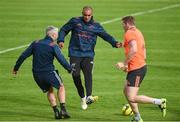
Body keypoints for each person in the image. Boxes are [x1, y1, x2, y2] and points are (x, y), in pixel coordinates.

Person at [58, 6, 121, 110]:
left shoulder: (96, 26)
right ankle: (82, 97)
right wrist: (61, 40)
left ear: (92, 15)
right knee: (75, 75)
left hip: (88, 54)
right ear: (82, 13)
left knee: (88, 74)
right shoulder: (75, 21)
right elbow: (63, 30)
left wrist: (114, 43)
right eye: (85, 15)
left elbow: (106, 35)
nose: (86, 17)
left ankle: (88, 96)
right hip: (75, 53)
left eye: (88, 15)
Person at [13, 26, 72, 119]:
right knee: (61, 87)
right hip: (49, 72)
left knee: (50, 90)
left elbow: (23, 56)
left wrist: (16, 68)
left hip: (37, 74)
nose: (57, 36)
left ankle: (56, 112)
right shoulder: (53, 45)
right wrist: (69, 69)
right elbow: (61, 60)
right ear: (52, 34)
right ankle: (63, 110)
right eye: (56, 34)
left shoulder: (35, 43)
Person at [116, 16, 167, 122]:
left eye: (122, 24)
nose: (122, 26)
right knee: (126, 91)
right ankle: (137, 117)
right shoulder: (138, 32)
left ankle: (159, 102)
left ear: (126, 24)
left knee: (131, 97)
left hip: (137, 69)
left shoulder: (129, 33)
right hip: (138, 66)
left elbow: (134, 49)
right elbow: (143, 49)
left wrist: (124, 63)